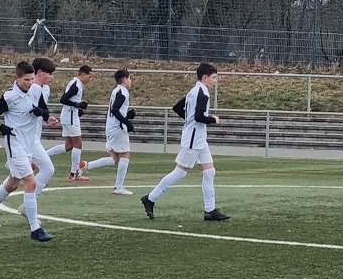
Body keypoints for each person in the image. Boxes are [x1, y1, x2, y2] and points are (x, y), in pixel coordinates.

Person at [0, 60, 55, 242]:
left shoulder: (36, 90)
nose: (30, 83)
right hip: (15, 144)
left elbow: (43, 109)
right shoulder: (10, 97)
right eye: (26, 80)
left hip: (29, 144)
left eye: (32, 79)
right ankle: (35, 229)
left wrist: (44, 115)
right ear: (16, 78)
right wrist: (0, 126)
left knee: (12, 183)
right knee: (31, 183)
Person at [141, 63, 230, 222]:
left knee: (209, 171)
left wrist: (190, 121)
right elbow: (199, 117)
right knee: (180, 172)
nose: (215, 81)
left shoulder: (193, 91)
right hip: (194, 139)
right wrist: (213, 119)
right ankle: (150, 198)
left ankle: (210, 210)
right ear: (205, 77)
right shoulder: (202, 93)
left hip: (198, 138)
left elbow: (177, 108)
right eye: (214, 77)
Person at [80, 69, 136, 195]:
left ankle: (87, 165)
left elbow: (116, 110)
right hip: (118, 128)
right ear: (124, 80)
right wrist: (127, 122)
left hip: (111, 127)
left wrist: (127, 116)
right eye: (129, 78)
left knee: (114, 158)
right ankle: (118, 187)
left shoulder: (116, 90)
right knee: (125, 155)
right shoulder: (123, 92)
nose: (130, 81)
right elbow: (115, 110)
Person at [45, 65, 93, 181]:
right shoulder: (76, 85)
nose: (90, 79)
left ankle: (41, 157)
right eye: (89, 76)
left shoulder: (75, 83)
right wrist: (77, 105)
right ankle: (74, 174)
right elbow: (63, 99)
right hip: (70, 117)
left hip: (69, 115)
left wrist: (77, 109)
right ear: (83, 74)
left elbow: (68, 99)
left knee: (68, 146)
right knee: (78, 144)